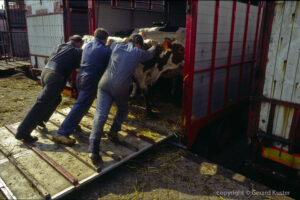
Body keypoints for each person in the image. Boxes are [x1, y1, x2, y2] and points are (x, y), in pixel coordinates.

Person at [89, 34, 157, 168]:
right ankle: (113, 131)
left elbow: (110, 41)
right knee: (123, 109)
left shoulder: (117, 46)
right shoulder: (138, 52)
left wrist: (126, 40)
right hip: (120, 87)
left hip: (104, 84)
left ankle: (93, 151)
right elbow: (150, 54)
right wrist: (154, 45)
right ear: (138, 44)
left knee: (101, 115)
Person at [15, 35, 83, 143]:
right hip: (55, 77)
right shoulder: (77, 51)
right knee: (41, 103)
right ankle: (22, 132)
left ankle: (40, 120)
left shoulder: (59, 46)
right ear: (79, 43)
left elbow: (62, 62)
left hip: (45, 73)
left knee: (56, 99)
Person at [52, 28, 112, 145]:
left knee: (83, 104)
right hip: (91, 80)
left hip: (81, 78)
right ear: (105, 39)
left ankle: (72, 125)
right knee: (80, 105)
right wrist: (109, 47)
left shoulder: (88, 45)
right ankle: (62, 132)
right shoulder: (105, 50)